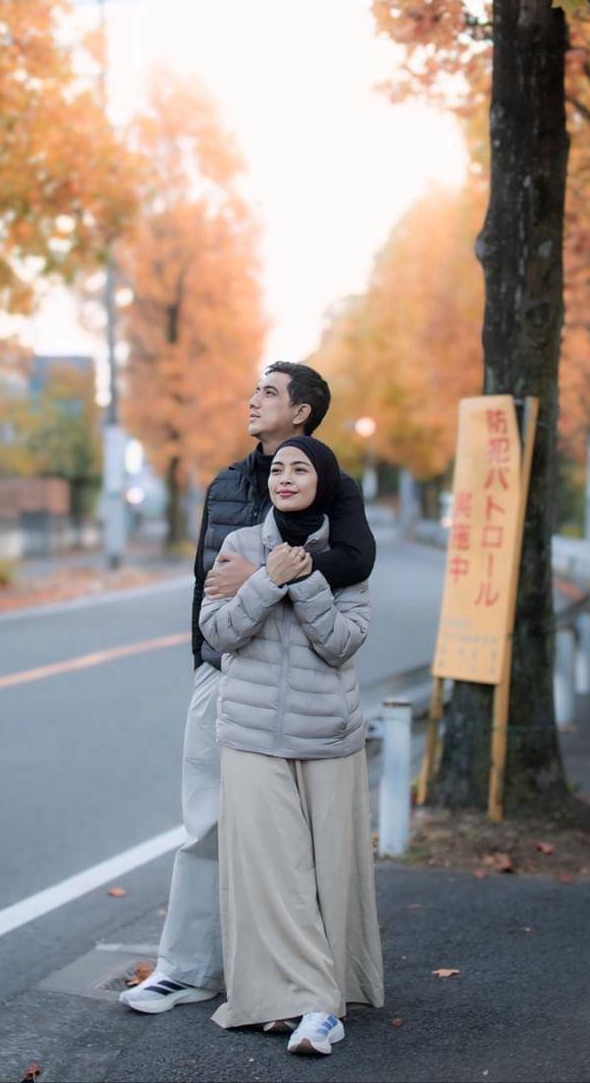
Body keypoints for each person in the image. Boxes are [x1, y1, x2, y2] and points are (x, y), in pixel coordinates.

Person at [120, 362, 375, 1015]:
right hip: (224, 669)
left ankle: (289, 978)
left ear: (303, 412)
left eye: (269, 392)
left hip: (308, 688)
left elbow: (354, 563)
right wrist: (209, 651)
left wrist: (265, 572)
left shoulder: (331, 482)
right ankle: (187, 967)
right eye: (254, 389)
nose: (253, 400)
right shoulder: (227, 485)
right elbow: (210, 580)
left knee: (298, 844)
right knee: (204, 824)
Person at [198, 434, 383, 1056]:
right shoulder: (240, 545)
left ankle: (324, 997)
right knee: (272, 875)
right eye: (278, 468)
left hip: (327, 734)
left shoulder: (347, 556)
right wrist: (263, 580)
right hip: (251, 734)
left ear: (323, 482)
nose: (285, 477)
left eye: (300, 469)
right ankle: (297, 1003)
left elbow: (341, 642)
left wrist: (298, 579)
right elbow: (219, 632)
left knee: (328, 872)